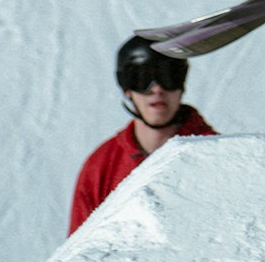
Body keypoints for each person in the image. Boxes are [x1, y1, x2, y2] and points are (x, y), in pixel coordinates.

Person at [69, 37, 217, 234]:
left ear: (181, 84)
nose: (157, 89)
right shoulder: (101, 166)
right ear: (127, 89)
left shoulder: (215, 155)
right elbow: (77, 253)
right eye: (142, 78)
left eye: (168, 76)